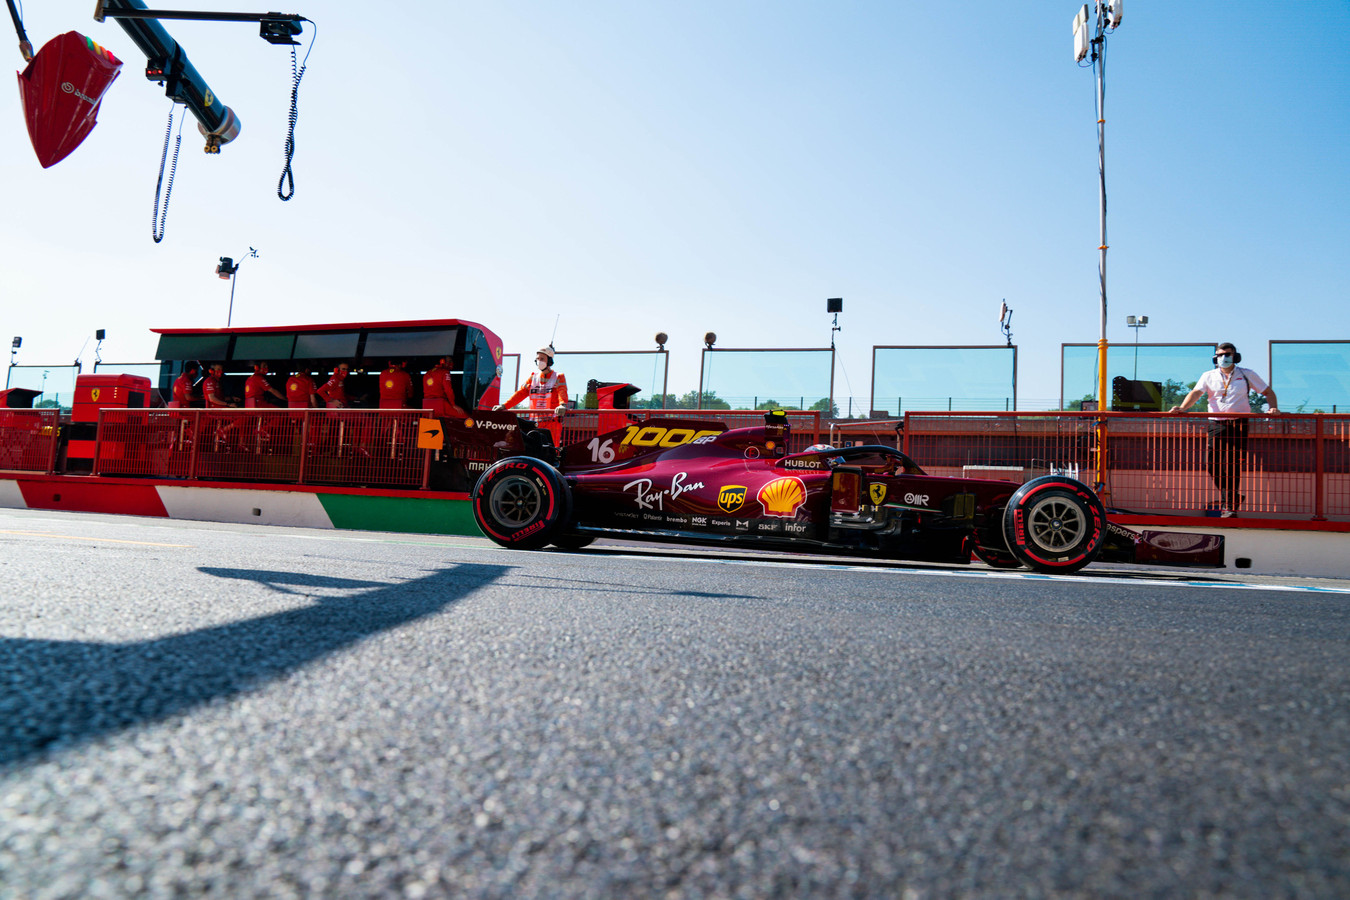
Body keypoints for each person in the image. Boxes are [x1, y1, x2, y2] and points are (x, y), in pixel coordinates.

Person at [1168, 342, 1279, 517]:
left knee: (1234, 465)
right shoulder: (1208, 375)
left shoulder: (1247, 374)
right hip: (1216, 423)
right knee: (1212, 464)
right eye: (1220, 355)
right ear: (1215, 358)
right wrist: (1182, 408)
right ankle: (1232, 497)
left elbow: (1268, 392)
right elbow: (1196, 393)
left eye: (1227, 354)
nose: (1223, 358)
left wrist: (1273, 408)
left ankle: (1229, 507)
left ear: (1236, 357)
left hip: (1239, 423)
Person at [494, 346, 568, 421]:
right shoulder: (533, 378)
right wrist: (504, 406)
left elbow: (562, 392)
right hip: (535, 422)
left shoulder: (558, 377)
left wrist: (562, 405)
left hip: (552, 423)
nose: (539, 361)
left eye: (542, 359)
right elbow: (520, 393)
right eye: (537, 359)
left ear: (549, 361)